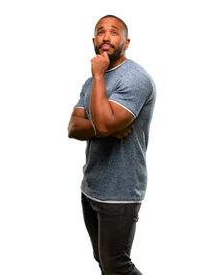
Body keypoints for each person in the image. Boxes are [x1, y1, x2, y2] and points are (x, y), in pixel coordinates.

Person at [67, 14, 156, 275]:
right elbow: (73, 127)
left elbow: (102, 125)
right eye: (101, 32)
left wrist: (97, 77)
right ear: (94, 41)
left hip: (121, 189)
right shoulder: (89, 83)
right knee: (103, 259)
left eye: (114, 32)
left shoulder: (135, 77)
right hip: (92, 185)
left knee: (117, 264)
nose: (106, 37)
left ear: (126, 42)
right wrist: (104, 127)